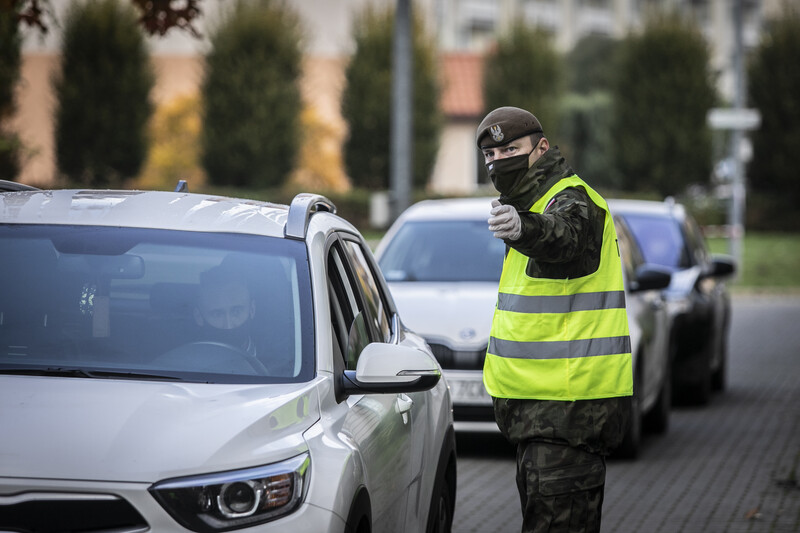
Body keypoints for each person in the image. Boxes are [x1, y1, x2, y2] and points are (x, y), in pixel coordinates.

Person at [478, 106, 632, 533]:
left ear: (541, 148)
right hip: (541, 417)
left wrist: (523, 230)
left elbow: (563, 236)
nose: (498, 160)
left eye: (510, 148)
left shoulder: (570, 197)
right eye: (490, 154)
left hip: (568, 414)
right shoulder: (529, 201)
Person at [193, 265, 259, 358]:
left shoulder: (279, 364)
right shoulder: (181, 364)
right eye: (217, 314)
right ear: (198, 317)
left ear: (252, 309)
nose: (228, 326)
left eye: (236, 312)